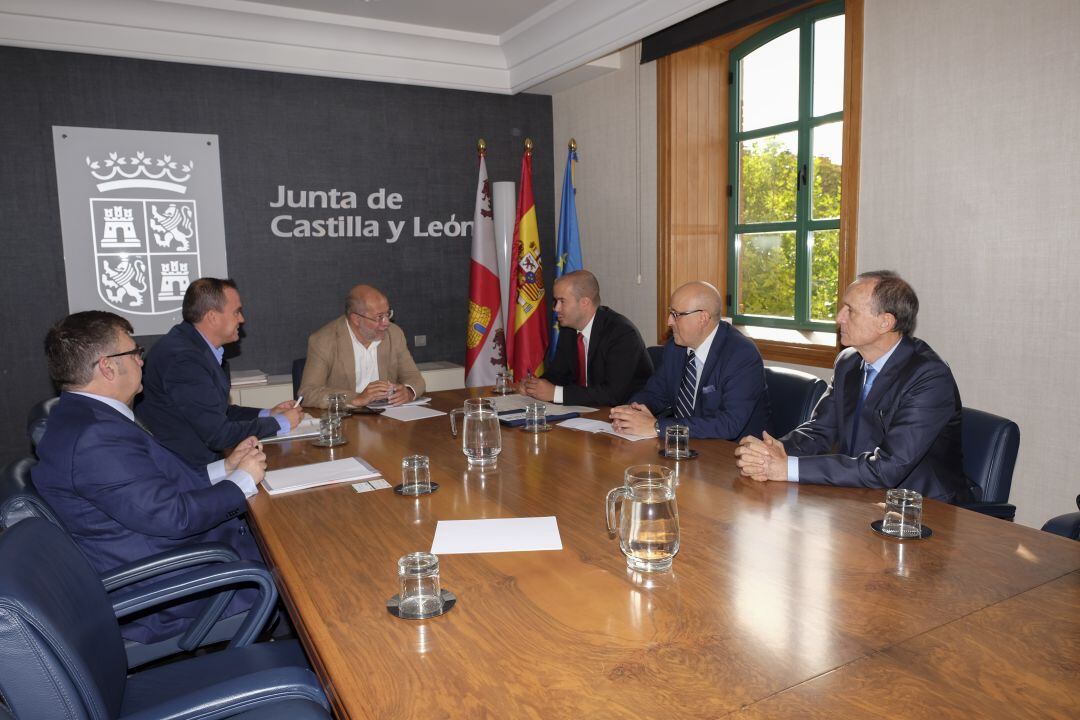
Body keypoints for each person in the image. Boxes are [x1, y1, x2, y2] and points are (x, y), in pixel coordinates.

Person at [32, 310, 267, 644]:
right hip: (171, 589)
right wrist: (241, 482)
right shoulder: (94, 438)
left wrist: (225, 469)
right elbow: (174, 517)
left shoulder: (85, 417)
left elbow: (153, 493)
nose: (142, 361)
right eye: (134, 352)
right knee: (299, 570)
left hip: (173, 555)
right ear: (107, 366)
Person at [734, 270, 975, 503]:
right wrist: (773, 450)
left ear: (885, 322)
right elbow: (821, 430)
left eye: (850, 311)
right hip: (859, 495)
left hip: (922, 509)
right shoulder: (848, 361)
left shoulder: (929, 377)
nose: (839, 318)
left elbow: (887, 468)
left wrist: (787, 468)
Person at [137, 278, 301, 468]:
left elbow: (217, 411)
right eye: (236, 312)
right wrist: (279, 423)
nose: (242, 319)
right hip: (187, 470)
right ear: (212, 317)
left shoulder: (190, 345)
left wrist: (267, 414)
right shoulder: (184, 360)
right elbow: (218, 434)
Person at [610, 281, 769, 439]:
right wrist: (631, 414)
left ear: (703, 318)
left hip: (735, 454)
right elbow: (655, 392)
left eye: (676, 314)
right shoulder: (675, 347)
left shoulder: (741, 355)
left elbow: (728, 424)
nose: (669, 321)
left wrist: (658, 427)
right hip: (685, 446)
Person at [520, 270, 652, 407]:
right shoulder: (569, 329)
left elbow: (612, 394)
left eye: (562, 301)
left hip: (624, 413)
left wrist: (556, 393)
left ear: (585, 303)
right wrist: (534, 387)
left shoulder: (622, 333)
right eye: (555, 301)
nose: (556, 308)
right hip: (585, 412)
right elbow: (558, 375)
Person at [298, 284, 426, 409]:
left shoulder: (394, 334)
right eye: (379, 317)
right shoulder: (324, 341)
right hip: (346, 419)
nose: (386, 323)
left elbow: (413, 376)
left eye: (388, 314)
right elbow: (308, 393)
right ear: (356, 319)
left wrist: (408, 391)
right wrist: (356, 398)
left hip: (388, 417)